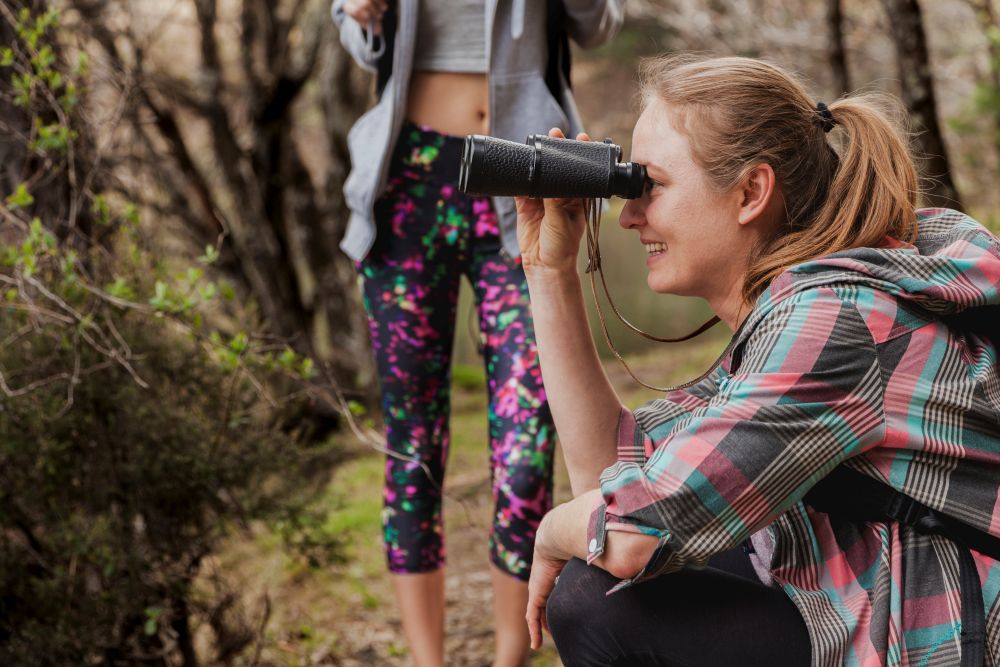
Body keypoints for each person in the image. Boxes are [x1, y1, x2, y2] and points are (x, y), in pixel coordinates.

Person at [517, 55, 1000, 666]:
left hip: (945, 635)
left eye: (651, 186)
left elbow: (632, 532)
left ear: (751, 192)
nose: (630, 216)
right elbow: (616, 478)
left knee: (594, 600)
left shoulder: (834, 320)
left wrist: (548, 532)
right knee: (619, 571)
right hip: (864, 597)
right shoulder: (816, 297)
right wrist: (549, 272)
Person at [331, 2, 623, 666]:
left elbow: (597, 25)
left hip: (521, 173)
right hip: (409, 180)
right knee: (413, 443)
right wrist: (357, 11)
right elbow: (361, 38)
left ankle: (509, 658)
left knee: (526, 447)